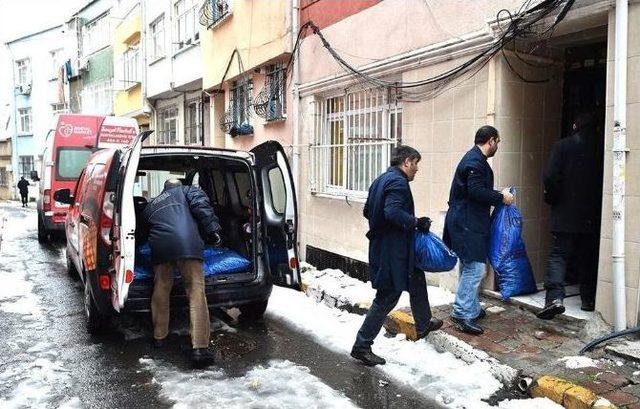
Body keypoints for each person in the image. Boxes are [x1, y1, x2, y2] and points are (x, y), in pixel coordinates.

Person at [351, 146, 443, 367]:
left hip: (390, 247)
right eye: (416, 163)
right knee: (387, 297)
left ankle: (423, 323)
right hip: (392, 251)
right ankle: (361, 346)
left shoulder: (380, 180)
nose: (417, 169)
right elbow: (391, 212)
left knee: (416, 277)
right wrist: (416, 221)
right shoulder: (398, 182)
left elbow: (368, 211)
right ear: (407, 162)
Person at [142, 179, 222, 367]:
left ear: (164, 188)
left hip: (160, 247)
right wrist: (213, 231)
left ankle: (159, 337)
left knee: (161, 287)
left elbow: (142, 230)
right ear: (179, 185)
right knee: (195, 290)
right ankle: (199, 348)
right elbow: (202, 208)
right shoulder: (188, 191)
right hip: (187, 244)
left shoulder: (152, 203)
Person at [443, 125, 514, 335]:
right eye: (497, 142)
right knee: (475, 269)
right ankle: (462, 313)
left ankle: (470, 307)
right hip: (467, 223)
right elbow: (475, 191)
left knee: (469, 266)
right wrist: (501, 197)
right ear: (491, 141)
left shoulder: (474, 159)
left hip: (466, 221)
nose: (497, 146)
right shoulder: (475, 162)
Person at [537, 113, 602, 319]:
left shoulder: (563, 146)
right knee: (588, 257)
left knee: (559, 255)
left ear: (575, 125)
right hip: (591, 214)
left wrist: (553, 198)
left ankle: (555, 298)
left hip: (565, 213)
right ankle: (588, 299)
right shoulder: (602, 148)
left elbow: (549, 176)